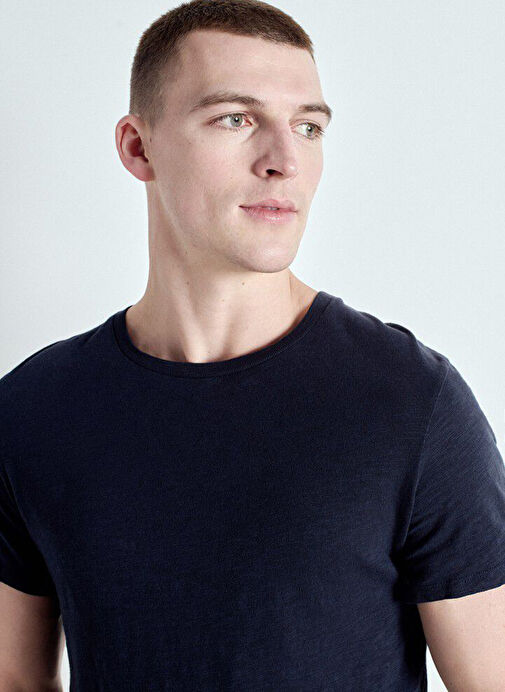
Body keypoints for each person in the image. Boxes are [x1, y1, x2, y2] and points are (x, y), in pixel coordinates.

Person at [1, 1, 504, 690]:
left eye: (307, 126)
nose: (284, 161)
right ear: (139, 147)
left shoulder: (412, 405)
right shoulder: (32, 411)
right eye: (235, 119)